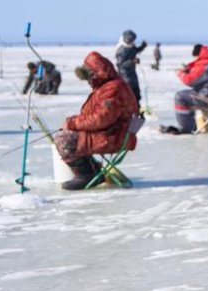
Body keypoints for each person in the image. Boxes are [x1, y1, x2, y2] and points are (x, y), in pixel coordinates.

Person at [53, 52, 139, 189]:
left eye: (89, 77)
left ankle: (87, 175)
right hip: (110, 133)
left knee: (64, 139)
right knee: (68, 134)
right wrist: (74, 124)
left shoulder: (113, 89)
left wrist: (72, 123)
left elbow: (101, 119)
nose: (88, 82)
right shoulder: (106, 87)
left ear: (97, 74)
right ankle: (93, 169)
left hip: (113, 136)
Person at [161, 44, 208, 134]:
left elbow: (190, 81)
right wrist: (189, 69)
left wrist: (181, 73)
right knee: (187, 95)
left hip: (207, 97)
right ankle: (191, 124)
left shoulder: (204, 66)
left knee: (180, 97)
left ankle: (185, 128)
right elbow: (200, 72)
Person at [115, 30, 148, 106]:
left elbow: (135, 51)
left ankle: (137, 107)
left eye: (132, 40)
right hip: (124, 76)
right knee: (129, 94)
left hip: (132, 74)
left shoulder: (131, 47)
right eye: (129, 40)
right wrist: (132, 61)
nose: (131, 41)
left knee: (136, 93)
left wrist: (142, 46)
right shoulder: (121, 50)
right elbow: (120, 65)